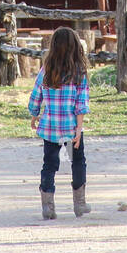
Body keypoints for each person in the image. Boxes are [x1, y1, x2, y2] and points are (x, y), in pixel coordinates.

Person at [27, 26, 90, 220]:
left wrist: (34, 114)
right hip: (71, 131)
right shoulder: (79, 72)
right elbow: (81, 104)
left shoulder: (47, 70)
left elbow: (36, 95)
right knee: (76, 161)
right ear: (75, 47)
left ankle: (48, 207)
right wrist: (79, 129)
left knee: (50, 164)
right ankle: (79, 204)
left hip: (51, 130)